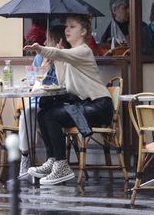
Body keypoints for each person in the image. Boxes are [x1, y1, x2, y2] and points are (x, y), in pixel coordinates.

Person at [23, 15, 113, 185]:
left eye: (72, 26)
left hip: (100, 106)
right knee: (43, 113)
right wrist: (55, 61)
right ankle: (53, 160)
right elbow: (64, 84)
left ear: (83, 31)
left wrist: (41, 49)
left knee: (52, 116)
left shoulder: (84, 51)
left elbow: (59, 53)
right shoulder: (69, 56)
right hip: (85, 105)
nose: (67, 30)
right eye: (66, 27)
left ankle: (62, 165)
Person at [18, 24, 70, 178]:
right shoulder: (40, 57)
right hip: (39, 100)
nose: (45, 42)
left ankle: (53, 161)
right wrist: (42, 68)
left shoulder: (65, 56)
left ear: (57, 42)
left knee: (46, 115)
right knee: (27, 113)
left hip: (58, 101)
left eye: (49, 39)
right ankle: (25, 156)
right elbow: (32, 84)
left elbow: (66, 85)